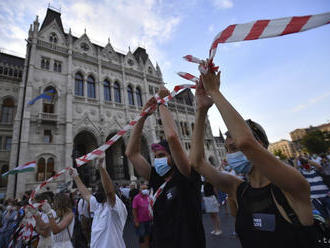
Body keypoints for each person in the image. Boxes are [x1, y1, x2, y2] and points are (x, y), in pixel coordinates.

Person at [189, 67, 315, 248]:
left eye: (235, 145)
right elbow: (197, 162)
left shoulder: (293, 186)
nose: (232, 148)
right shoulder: (238, 190)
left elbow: (246, 143)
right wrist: (201, 111)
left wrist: (215, 92)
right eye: (229, 149)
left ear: (261, 145)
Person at [126, 87, 205, 248]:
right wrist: (143, 115)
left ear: (173, 157)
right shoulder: (157, 178)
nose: (157, 161)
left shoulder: (186, 176)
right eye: (155, 157)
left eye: (161, 156)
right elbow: (131, 153)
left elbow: (172, 137)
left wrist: (163, 103)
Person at [70, 152, 127, 248]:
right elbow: (86, 195)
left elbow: (109, 192)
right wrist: (75, 176)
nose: (96, 193)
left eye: (99, 190)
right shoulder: (99, 205)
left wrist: (101, 167)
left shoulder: (115, 206)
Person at [132, 182, 153, 248]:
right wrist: (136, 221)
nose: (145, 190)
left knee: (148, 236)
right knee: (142, 237)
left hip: (149, 220)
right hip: (141, 221)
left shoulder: (148, 197)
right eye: (143, 188)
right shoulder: (136, 198)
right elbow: (134, 210)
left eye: (146, 188)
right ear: (140, 190)